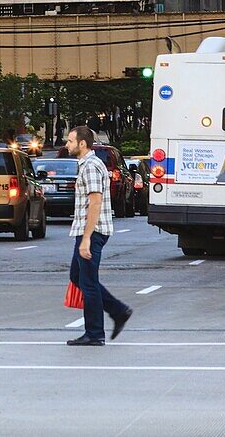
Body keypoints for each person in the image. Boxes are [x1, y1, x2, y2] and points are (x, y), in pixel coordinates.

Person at [66, 125, 132, 346]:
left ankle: (95, 333)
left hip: (91, 232)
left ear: (82, 144)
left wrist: (86, 238)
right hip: (86, 230)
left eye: (70, 141)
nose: (67, 144)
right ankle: (118, 310)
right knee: (78, 277)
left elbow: (95, 202)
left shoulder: (91, 166)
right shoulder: (87, 164)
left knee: (88, 282)